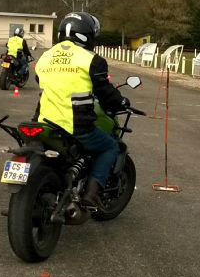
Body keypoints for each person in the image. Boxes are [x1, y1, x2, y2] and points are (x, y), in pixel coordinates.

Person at [34, 12, 129, 211]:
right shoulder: (92, 60)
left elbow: (42, 82)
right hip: (76, 126)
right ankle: (91, 195)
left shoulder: (45, 57)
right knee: (110, 146)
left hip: (43, 123)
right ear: (88, 34)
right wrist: (121, 102)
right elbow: (104, 93)